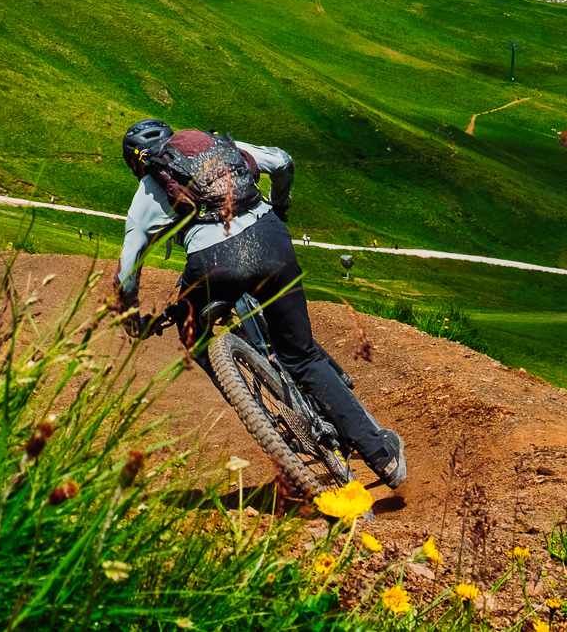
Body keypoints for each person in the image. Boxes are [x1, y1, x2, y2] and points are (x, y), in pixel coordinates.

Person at [110, 118, 407, 489]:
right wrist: (280, 207)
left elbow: (127, 269)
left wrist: (132, 321)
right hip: (270, 242)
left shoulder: (146, 194)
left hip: (212, 265)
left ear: (135, 162)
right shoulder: (218, 149)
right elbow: (282, 161)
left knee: (192, 335)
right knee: (301, 356)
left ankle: (252, 408)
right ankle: (383, 457)